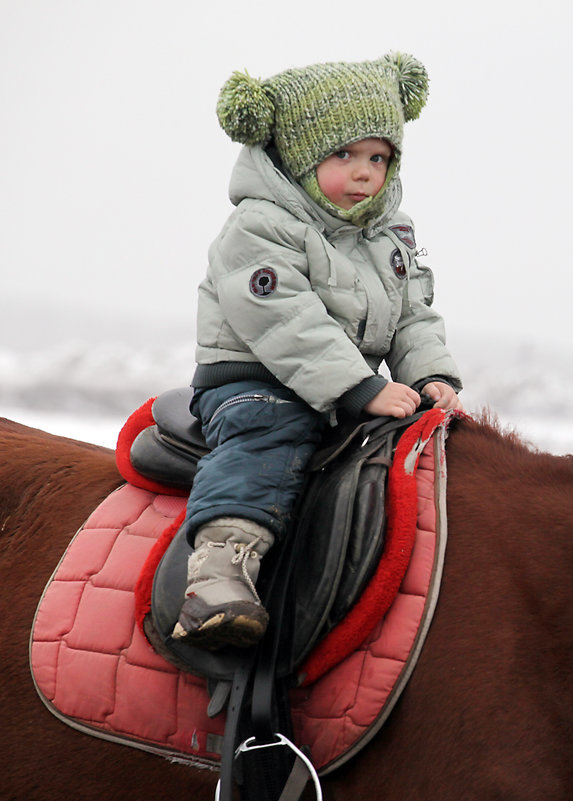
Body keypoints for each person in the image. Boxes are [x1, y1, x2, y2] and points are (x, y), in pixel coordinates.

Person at [171, 52, 463, 650]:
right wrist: (361, 387)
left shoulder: (390, 234)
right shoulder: (261, 225)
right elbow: (284, 319)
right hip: (256, 380)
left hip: (346, 382)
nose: (364, 173)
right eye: (343, 155)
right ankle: (220, 571)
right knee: (272, 434)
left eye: (378, 157)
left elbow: (412, 312)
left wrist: (429, 372)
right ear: (301, 158)